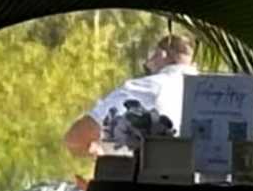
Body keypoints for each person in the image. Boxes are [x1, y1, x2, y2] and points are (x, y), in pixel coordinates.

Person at [66, 31, 196, 160]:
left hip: (143, 176)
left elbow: (76, 137)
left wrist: (101, 156)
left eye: (150, 59)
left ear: (161, 55)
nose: (149, 64)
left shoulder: (149, 87)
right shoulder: (207, 92)